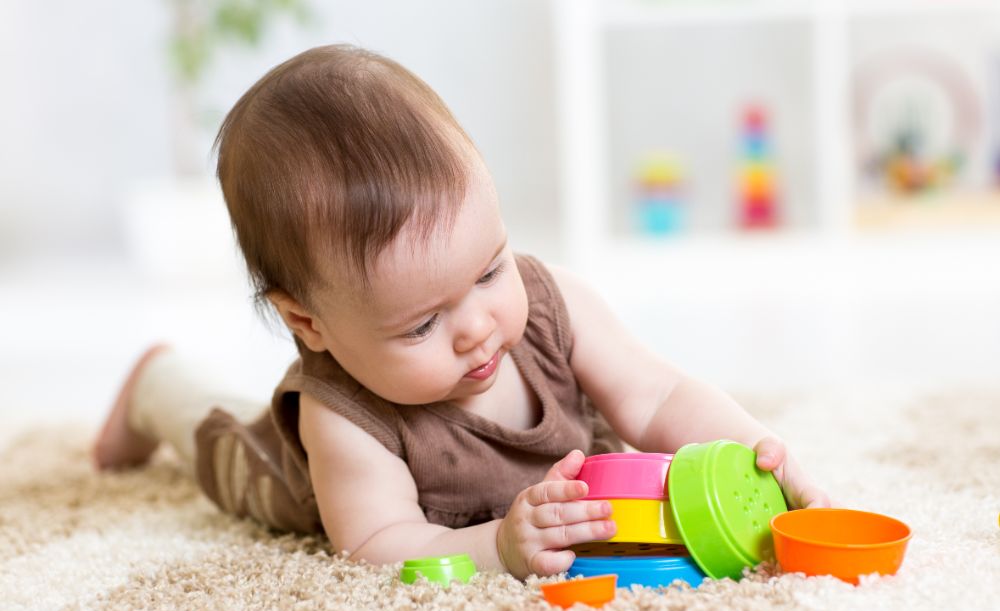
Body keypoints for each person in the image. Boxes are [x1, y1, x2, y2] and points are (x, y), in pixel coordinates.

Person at [93, 44, 830, 580]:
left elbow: (658, 394)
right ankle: (154, 383)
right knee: (211, 437)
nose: (477, 326)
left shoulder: (551, 305)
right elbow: (379, 541)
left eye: (488, 270)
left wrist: (757, 446)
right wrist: (495, 549)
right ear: (310, 323)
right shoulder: (343, 415)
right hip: (286, 476)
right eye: (420, 324)